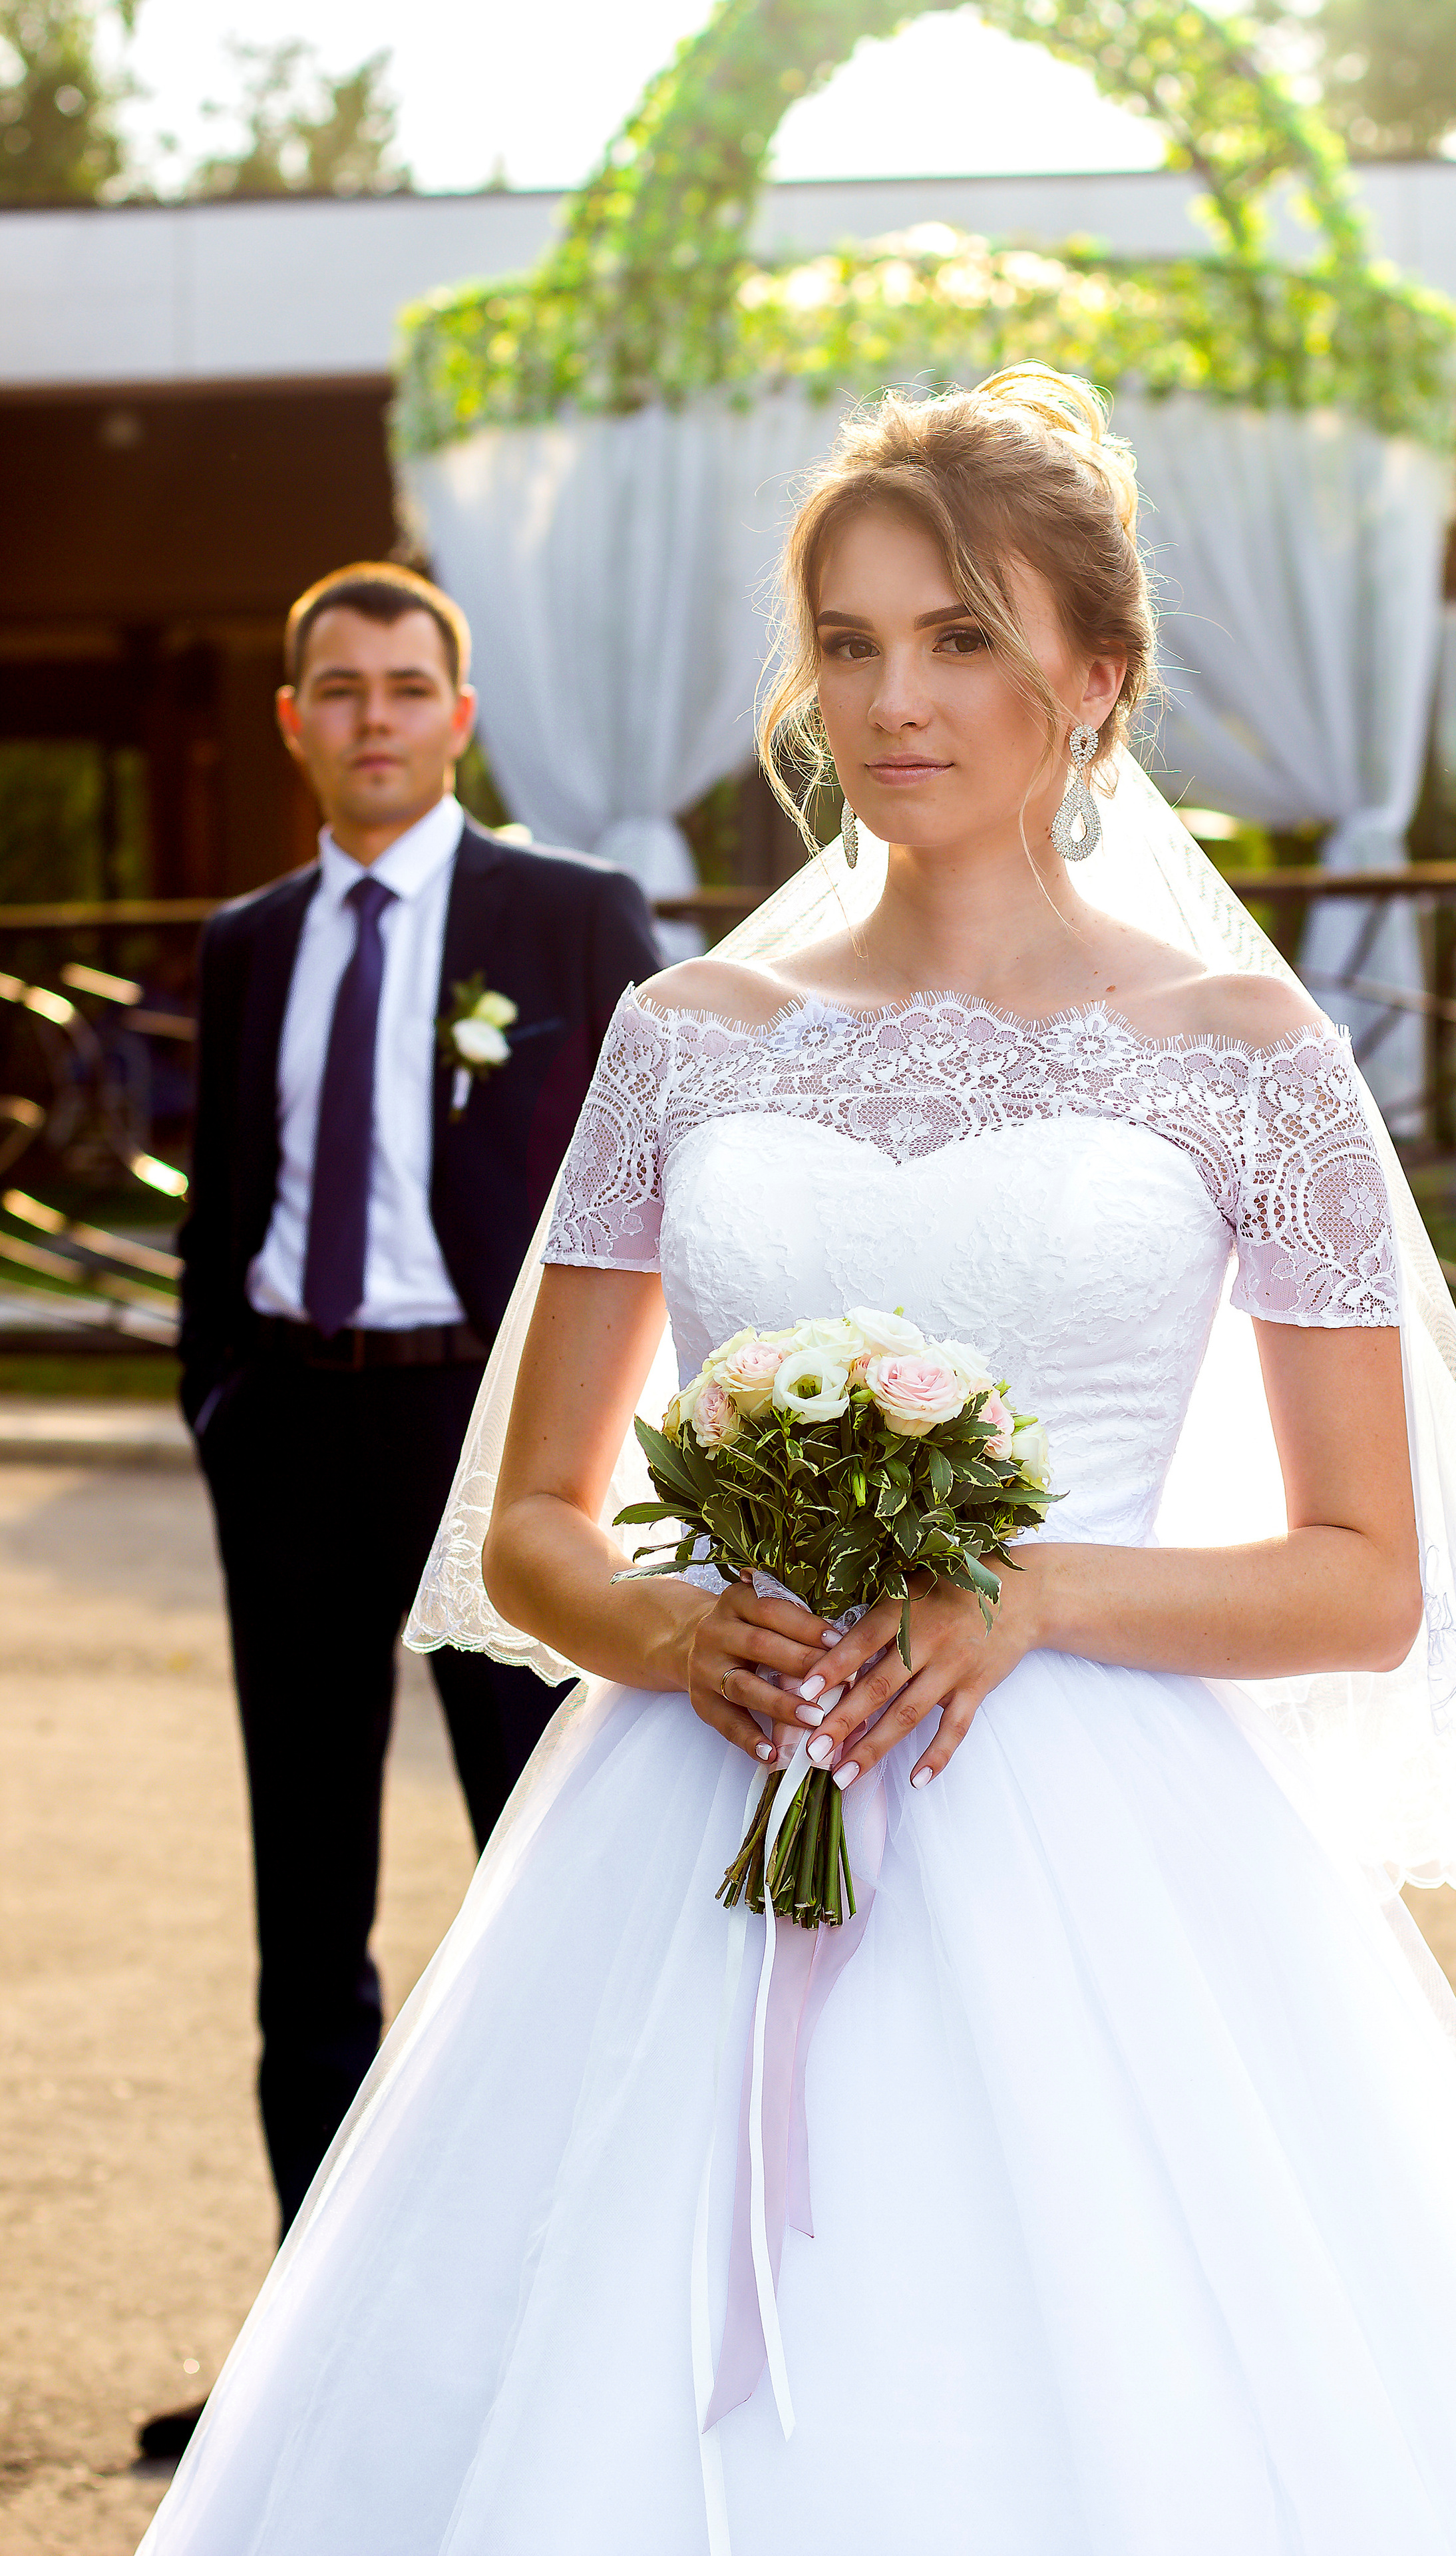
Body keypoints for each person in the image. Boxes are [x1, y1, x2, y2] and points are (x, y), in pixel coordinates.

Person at [139, 380, 1456, 2551]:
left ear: (1098, 676)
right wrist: (673, 1629)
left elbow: (1367, 1575)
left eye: (964, 637)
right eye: (851, 642)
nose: (895, 699)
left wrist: (1036, 1591)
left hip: (1103, 1840)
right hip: (695, 1808)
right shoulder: (686, 1044)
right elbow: (531, 1528)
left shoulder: (1250, 1065)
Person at [145, 562, 661, 2461]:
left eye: (407, 684)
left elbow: (661, 1185)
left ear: (461, 716)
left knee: (549, 1881)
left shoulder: (572, 916)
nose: (375, 715)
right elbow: (228, 1202)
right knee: (308, 1917)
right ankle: (313, 2373)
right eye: (340, 689)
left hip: (496, 1445)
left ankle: (560, 2354)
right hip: (291, 1433)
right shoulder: (247, 942)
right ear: (297, 723)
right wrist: (222, 1402)